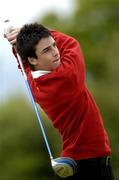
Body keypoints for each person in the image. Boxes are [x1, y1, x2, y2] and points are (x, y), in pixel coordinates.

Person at [5, 23, 115, 180]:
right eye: (46, 50)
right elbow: (71, 44)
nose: (55, 52)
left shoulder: (33, 81)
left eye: (54, 45)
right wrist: (35, 33)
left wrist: (21, 42)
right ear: (33, 59)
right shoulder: (67, 77)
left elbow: (23, 65)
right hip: (90, 166)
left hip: (75, 163)